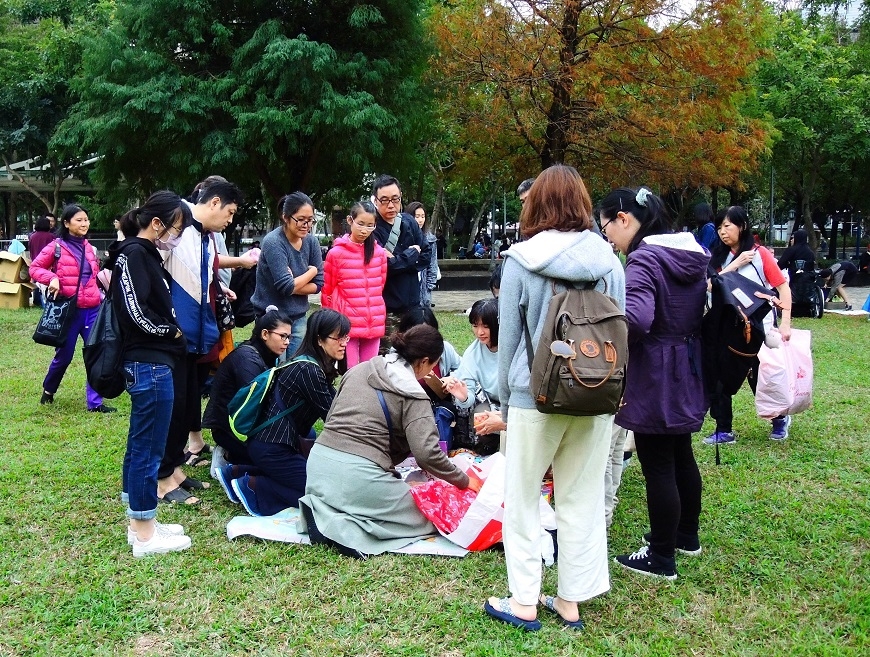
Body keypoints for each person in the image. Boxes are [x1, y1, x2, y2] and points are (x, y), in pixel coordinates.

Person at [487, 164, 625, 631]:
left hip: (534, 395)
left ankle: (524, 601)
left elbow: (509, 340)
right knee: (581, 497)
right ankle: (570, 602)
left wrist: (505, 399)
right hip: (595, 391)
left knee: (523, 498)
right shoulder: (609, 261)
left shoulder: (521, 260)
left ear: (537, 203)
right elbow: (620, 329)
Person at [598, 187, 708, 580]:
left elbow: (639, 320)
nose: (607, 236)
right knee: (680, 452)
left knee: (657, 463)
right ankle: (685, 536)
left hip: (655, 371)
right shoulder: (689, 253)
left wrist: (602, 329)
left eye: (607, 226)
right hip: (687, 365)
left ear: (624, 219)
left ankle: (661, 557)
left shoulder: (644, 259)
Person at [297, 324, 481, 557]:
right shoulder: (412, 392)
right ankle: (343, 530)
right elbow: (427, 454)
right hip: (358, 478)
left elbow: (332, 417)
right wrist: (463, 481)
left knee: (370, 495)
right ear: (424, 362)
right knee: (428, 513)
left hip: (317, 467)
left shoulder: (359, 370)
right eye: (434, 365)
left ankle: (321, 511)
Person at [159, 180, 252, 504]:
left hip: (196, 335)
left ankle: (173, 470)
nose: (229, 220)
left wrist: (217, 287)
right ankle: (161, 478)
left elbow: (202, 270)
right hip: (172, 334)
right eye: (229, 213)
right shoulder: (175, 221)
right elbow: (149, 261)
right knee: (170, 406)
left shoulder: (207, 235)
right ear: (214, 203)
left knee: (185, 403)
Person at [112, 191, 191, 556]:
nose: (176, 237)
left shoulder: (147, 256)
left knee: (144, 443)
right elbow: (133, 312)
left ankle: (141, 522)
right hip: (148, 362)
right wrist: (170, 331)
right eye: (176, 228)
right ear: (157, 224)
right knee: (148, 448)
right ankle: (145, 535)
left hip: (157, 363)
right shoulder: (133, 255)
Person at [228, 309, 349, 517]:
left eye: (346, 336)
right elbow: (334, 417)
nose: (344, 342)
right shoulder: (309, 370)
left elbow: (339, 405)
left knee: (321, 482)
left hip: (275, 444)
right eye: (338, 337)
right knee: (323, 495)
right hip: (273, 448)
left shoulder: (310, 363)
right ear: (320, 339)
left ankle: (240, 470)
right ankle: (254, 486)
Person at [705, 206, 793, 444]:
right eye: (720, 227)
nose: (723, 232)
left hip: (757, 328)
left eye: (727, 226)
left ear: (741, 226)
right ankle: (723, 429)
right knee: (720, 377)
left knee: (761, 377)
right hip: (725, 329)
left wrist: (785, 323)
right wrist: (735, 264)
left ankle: (779, 419)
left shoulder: (760, 254)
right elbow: (710, 285)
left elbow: (783, 288)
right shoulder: (717, 256)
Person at [29, 204, 115, 412]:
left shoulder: (89, 247)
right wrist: (52, 278)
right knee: (64, 356)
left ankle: (95, 403)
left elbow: (93, 276)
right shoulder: (56, 247)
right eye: (79, 220)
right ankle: (49, 390)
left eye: (86, 219)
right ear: (66, 224)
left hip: (93, 308)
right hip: (69, 311)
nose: (84, 223)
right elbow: (34, 268)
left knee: (96, 353)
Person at [203, 306, 291, 471]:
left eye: (288, 337)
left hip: (247, 425)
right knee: (276, 460)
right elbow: (254, 407)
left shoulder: (267, 355)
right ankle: (226, 459)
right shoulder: (247, 360)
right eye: (282, 336)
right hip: (230, 429)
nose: (287, 342)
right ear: (265, 334)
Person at [251, 192, 324, 358]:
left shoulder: (311, 241)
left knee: (296, 369)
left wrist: (293, 283)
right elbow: (286, 286)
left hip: (299, 317)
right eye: (301, 219)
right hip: (272, 318)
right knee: (275, 372)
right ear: (285, 217)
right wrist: (311, 271)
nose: (306, 225)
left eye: (311, 220)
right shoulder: (274, 242)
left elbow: (319, 284)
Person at [321, 200, 388, 368]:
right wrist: (330, 324)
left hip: (373, 322)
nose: (364, 230)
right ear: (350, 221)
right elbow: (327, 291)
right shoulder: (336, 254)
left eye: (370, 225)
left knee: (370, 373)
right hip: (346, 325)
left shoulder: (379, 254)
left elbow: (380, 286)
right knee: (350, 373)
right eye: (361, 224)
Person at [371, 175, 431, 346]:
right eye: (384, 200)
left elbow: (425, 254)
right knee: (386, 362)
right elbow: (382, 266)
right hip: (387, 309)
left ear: (401, 197)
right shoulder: (373, 229)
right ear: (376, 201)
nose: (391, 205)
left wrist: (399, 261)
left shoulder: (409, 222)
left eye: (395, 199)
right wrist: (410, 255)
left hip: (413, 306)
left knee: (414, 357)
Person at [444, 298, 506, 453]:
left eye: (486, 326)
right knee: (481, 415)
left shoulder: (512, 347)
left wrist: (505, 416)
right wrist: (463, 396)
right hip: (494, 403)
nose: (480, 332)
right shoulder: (473, 353)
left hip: (519, 404)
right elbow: (468, 398)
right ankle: (489, 454)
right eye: (475, 326)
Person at [406, 201, 439, 308]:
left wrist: (429, 287)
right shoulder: (403, 238)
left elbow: (432, 265)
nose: (420, 220)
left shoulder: (430, 239)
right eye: (417, 216)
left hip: (424, 288)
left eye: (423, 216)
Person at [28, 215, 56, 307]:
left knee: (36, 282)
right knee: (47, 282)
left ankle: (36, 300)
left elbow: (31, 249)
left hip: (35, 262)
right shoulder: (51, 236)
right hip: (47, 263)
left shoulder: (32, 236)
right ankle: (46, 300)